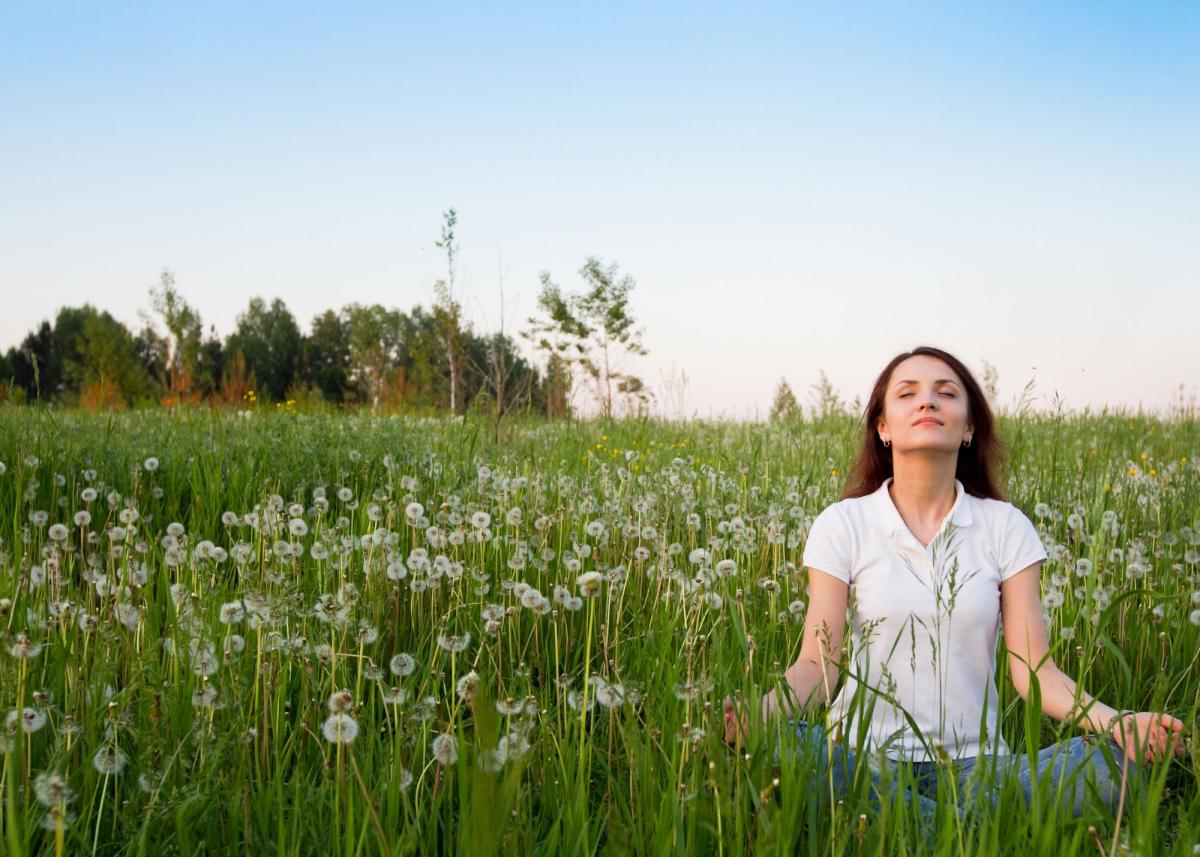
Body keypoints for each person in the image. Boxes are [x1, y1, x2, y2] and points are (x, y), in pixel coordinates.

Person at [723, 346, 1186, 818]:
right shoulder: (843, 524)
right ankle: (967, 829)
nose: (927, 402)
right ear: (883, 427)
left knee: (1112, 763)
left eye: (946, 393)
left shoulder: (1004, 526)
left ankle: (908, 826)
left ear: (968, 428)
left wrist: (1119, 723)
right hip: (862, 760)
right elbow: (817, 666)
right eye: (907, 394)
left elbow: (1034, 673)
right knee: (787, 747)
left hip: (980, 767)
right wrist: (760, 715)